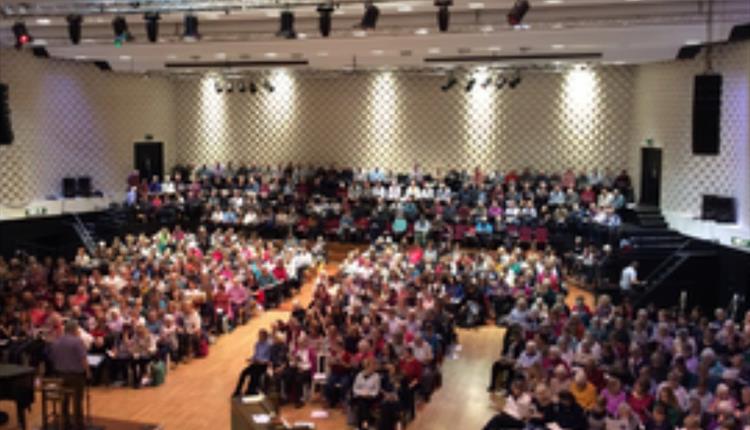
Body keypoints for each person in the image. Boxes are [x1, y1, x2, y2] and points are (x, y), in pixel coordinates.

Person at [48, 320, 90, 430]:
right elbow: (83, 359)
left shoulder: (56, 341)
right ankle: (79, 425)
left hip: (60, 375)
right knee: (77, 400)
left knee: (64, 400)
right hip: (76, 376)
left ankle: (66, 423)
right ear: (74, 329)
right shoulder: (77, 341)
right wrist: (88, 373)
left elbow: (52, 358)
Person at [233, 329, 272, 396]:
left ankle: (250, 391)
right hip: (256, 363)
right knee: (243, 372)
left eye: (260, 336)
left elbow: (268, 359)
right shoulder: (257, 344)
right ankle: (237, 391)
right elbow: (255, 355)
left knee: (254, 375)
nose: (259, 337)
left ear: (265, 336)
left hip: (263, 365)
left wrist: (261, 361)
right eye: (259, 335)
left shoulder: (269, 345)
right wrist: (251, 359)